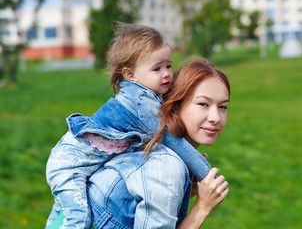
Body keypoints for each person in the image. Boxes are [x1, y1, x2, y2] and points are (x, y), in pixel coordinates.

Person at [45, 23, 211, 229]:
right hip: (70, 162)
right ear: (130, 74)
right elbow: (170, 139)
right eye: (156, 68)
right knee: (78, 218)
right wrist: (207, 173)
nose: (167, 73)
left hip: (77, 159)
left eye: (168, 66)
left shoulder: (146, 98)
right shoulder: (141, 102)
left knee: (65, 211)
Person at [86, 58, 231, 228]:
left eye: (223, 107)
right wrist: (202, 208)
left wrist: (184, 192)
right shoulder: (166, 166)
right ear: (175, 106)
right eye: (203, 104)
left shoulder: (157, 146)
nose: (215, 118)